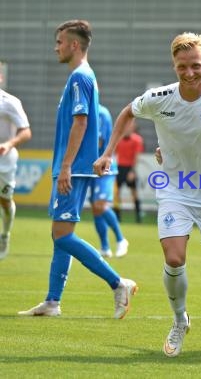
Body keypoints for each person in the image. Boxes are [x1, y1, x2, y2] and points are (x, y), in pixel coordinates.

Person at [93, 32, 201, 359]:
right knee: (174, 258)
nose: (189, 72)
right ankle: (179, 320)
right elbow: (128, 112)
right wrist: (108, 153)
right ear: (174, 65)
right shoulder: (158, 97)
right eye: (182, 66)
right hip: (175, 190)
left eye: (196, 66)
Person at [18, 20, 137, 318]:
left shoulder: (80, 77)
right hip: (72, 166)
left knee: (62, 234)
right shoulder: (80, 77)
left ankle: (118, 282)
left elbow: (81, 122)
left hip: (74, 167)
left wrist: (68, 165)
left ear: (73, 44)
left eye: (59, 41)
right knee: (60, 232)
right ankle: (52, 301)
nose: (55, 47)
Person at [0, 61, 32, 260]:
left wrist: (9, 144)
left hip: (4, 161)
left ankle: (5, 234)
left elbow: (26, 131)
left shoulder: (9, 102)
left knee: (4, 201)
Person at [89, 104, 129, 258]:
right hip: (91, 166)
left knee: (100, 205)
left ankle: (121, 239)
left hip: (105, 166)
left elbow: (100, 141)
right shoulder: (82, 111)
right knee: (95, 208)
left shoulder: (101, 113)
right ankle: (105, 247)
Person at [114, 118, 144, 223]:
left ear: (134, 127)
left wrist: (132, 171)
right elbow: (115, 153)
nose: (128, 127)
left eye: (130, 125)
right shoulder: (118, 138)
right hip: (119, 168)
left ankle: (138, 217)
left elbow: (136, 157)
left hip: (130, 168)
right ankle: (117, 217)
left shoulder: (137, 140)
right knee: (116, 193)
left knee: (134, 193)